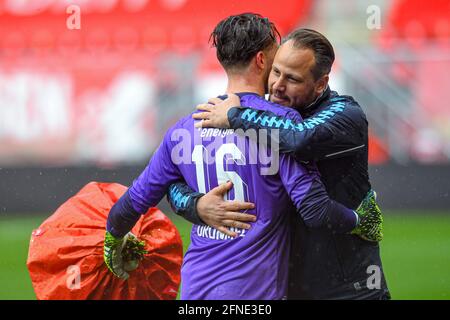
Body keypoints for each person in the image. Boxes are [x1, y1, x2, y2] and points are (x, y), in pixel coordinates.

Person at [103, 14, 382, 300]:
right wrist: (358, 221)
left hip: (195, 293)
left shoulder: (183, 129)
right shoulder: (280, 124)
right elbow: (314, 208)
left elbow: (132, 202)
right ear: (262, 60)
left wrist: (114, 240)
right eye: (276, 57)